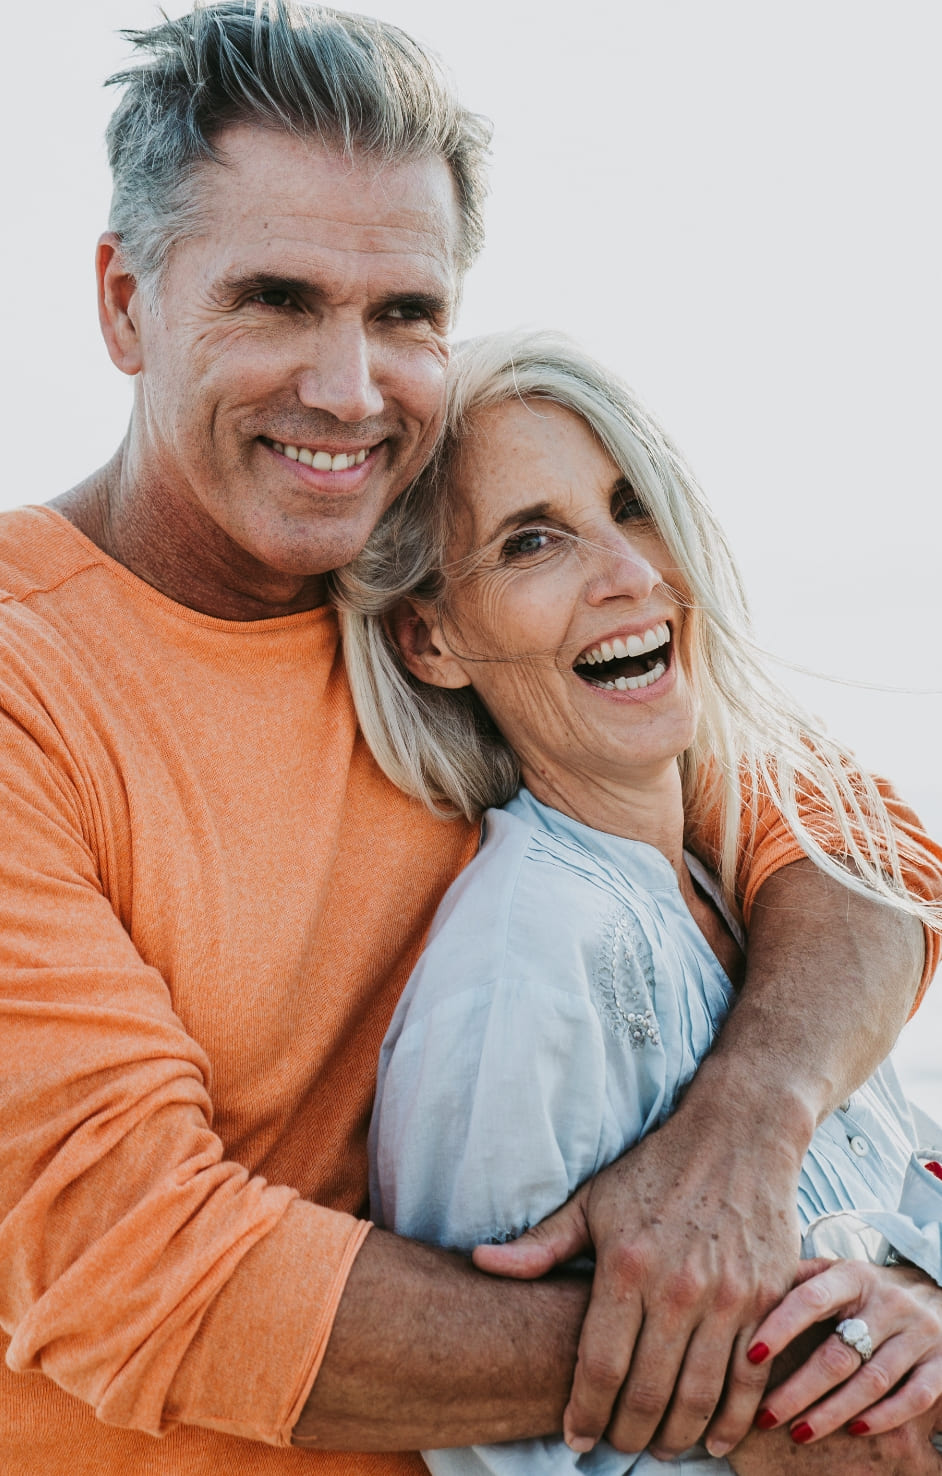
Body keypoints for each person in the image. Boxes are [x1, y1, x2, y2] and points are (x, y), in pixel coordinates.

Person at [0, 4, 939, 1474]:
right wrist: (787, 1372)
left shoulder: (461, 613)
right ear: (125, 303)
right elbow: (136, 1267)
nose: (347, 388)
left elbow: (866, 853)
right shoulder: (28, 686)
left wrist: (739, 1141)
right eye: (274, 299)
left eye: (403, 315)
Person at [337, 329, 942, 1472]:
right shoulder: (528, 966)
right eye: (533, 543)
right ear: (432, 638)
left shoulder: (737, 885)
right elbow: (517, 1455)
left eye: (631, 505)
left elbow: (906, 1188)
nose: (630, 574)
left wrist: (919, 1299)